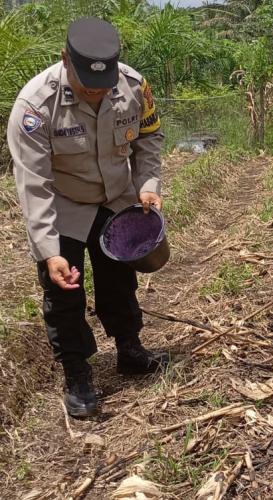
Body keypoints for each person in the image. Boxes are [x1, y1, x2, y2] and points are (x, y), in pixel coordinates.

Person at [8, 17, 169, 418]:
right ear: (65, 60)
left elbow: (149, 137)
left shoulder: (133, 86)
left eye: (103, 83)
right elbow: (34, 185)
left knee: (119, 278)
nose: (96, 90)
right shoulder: (34, 107)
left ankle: (129, 349)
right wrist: (48, 251)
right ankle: (77, 375)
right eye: (86, 84)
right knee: (63, 292)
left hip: (115, 197)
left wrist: (148, 184)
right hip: (63, 205)